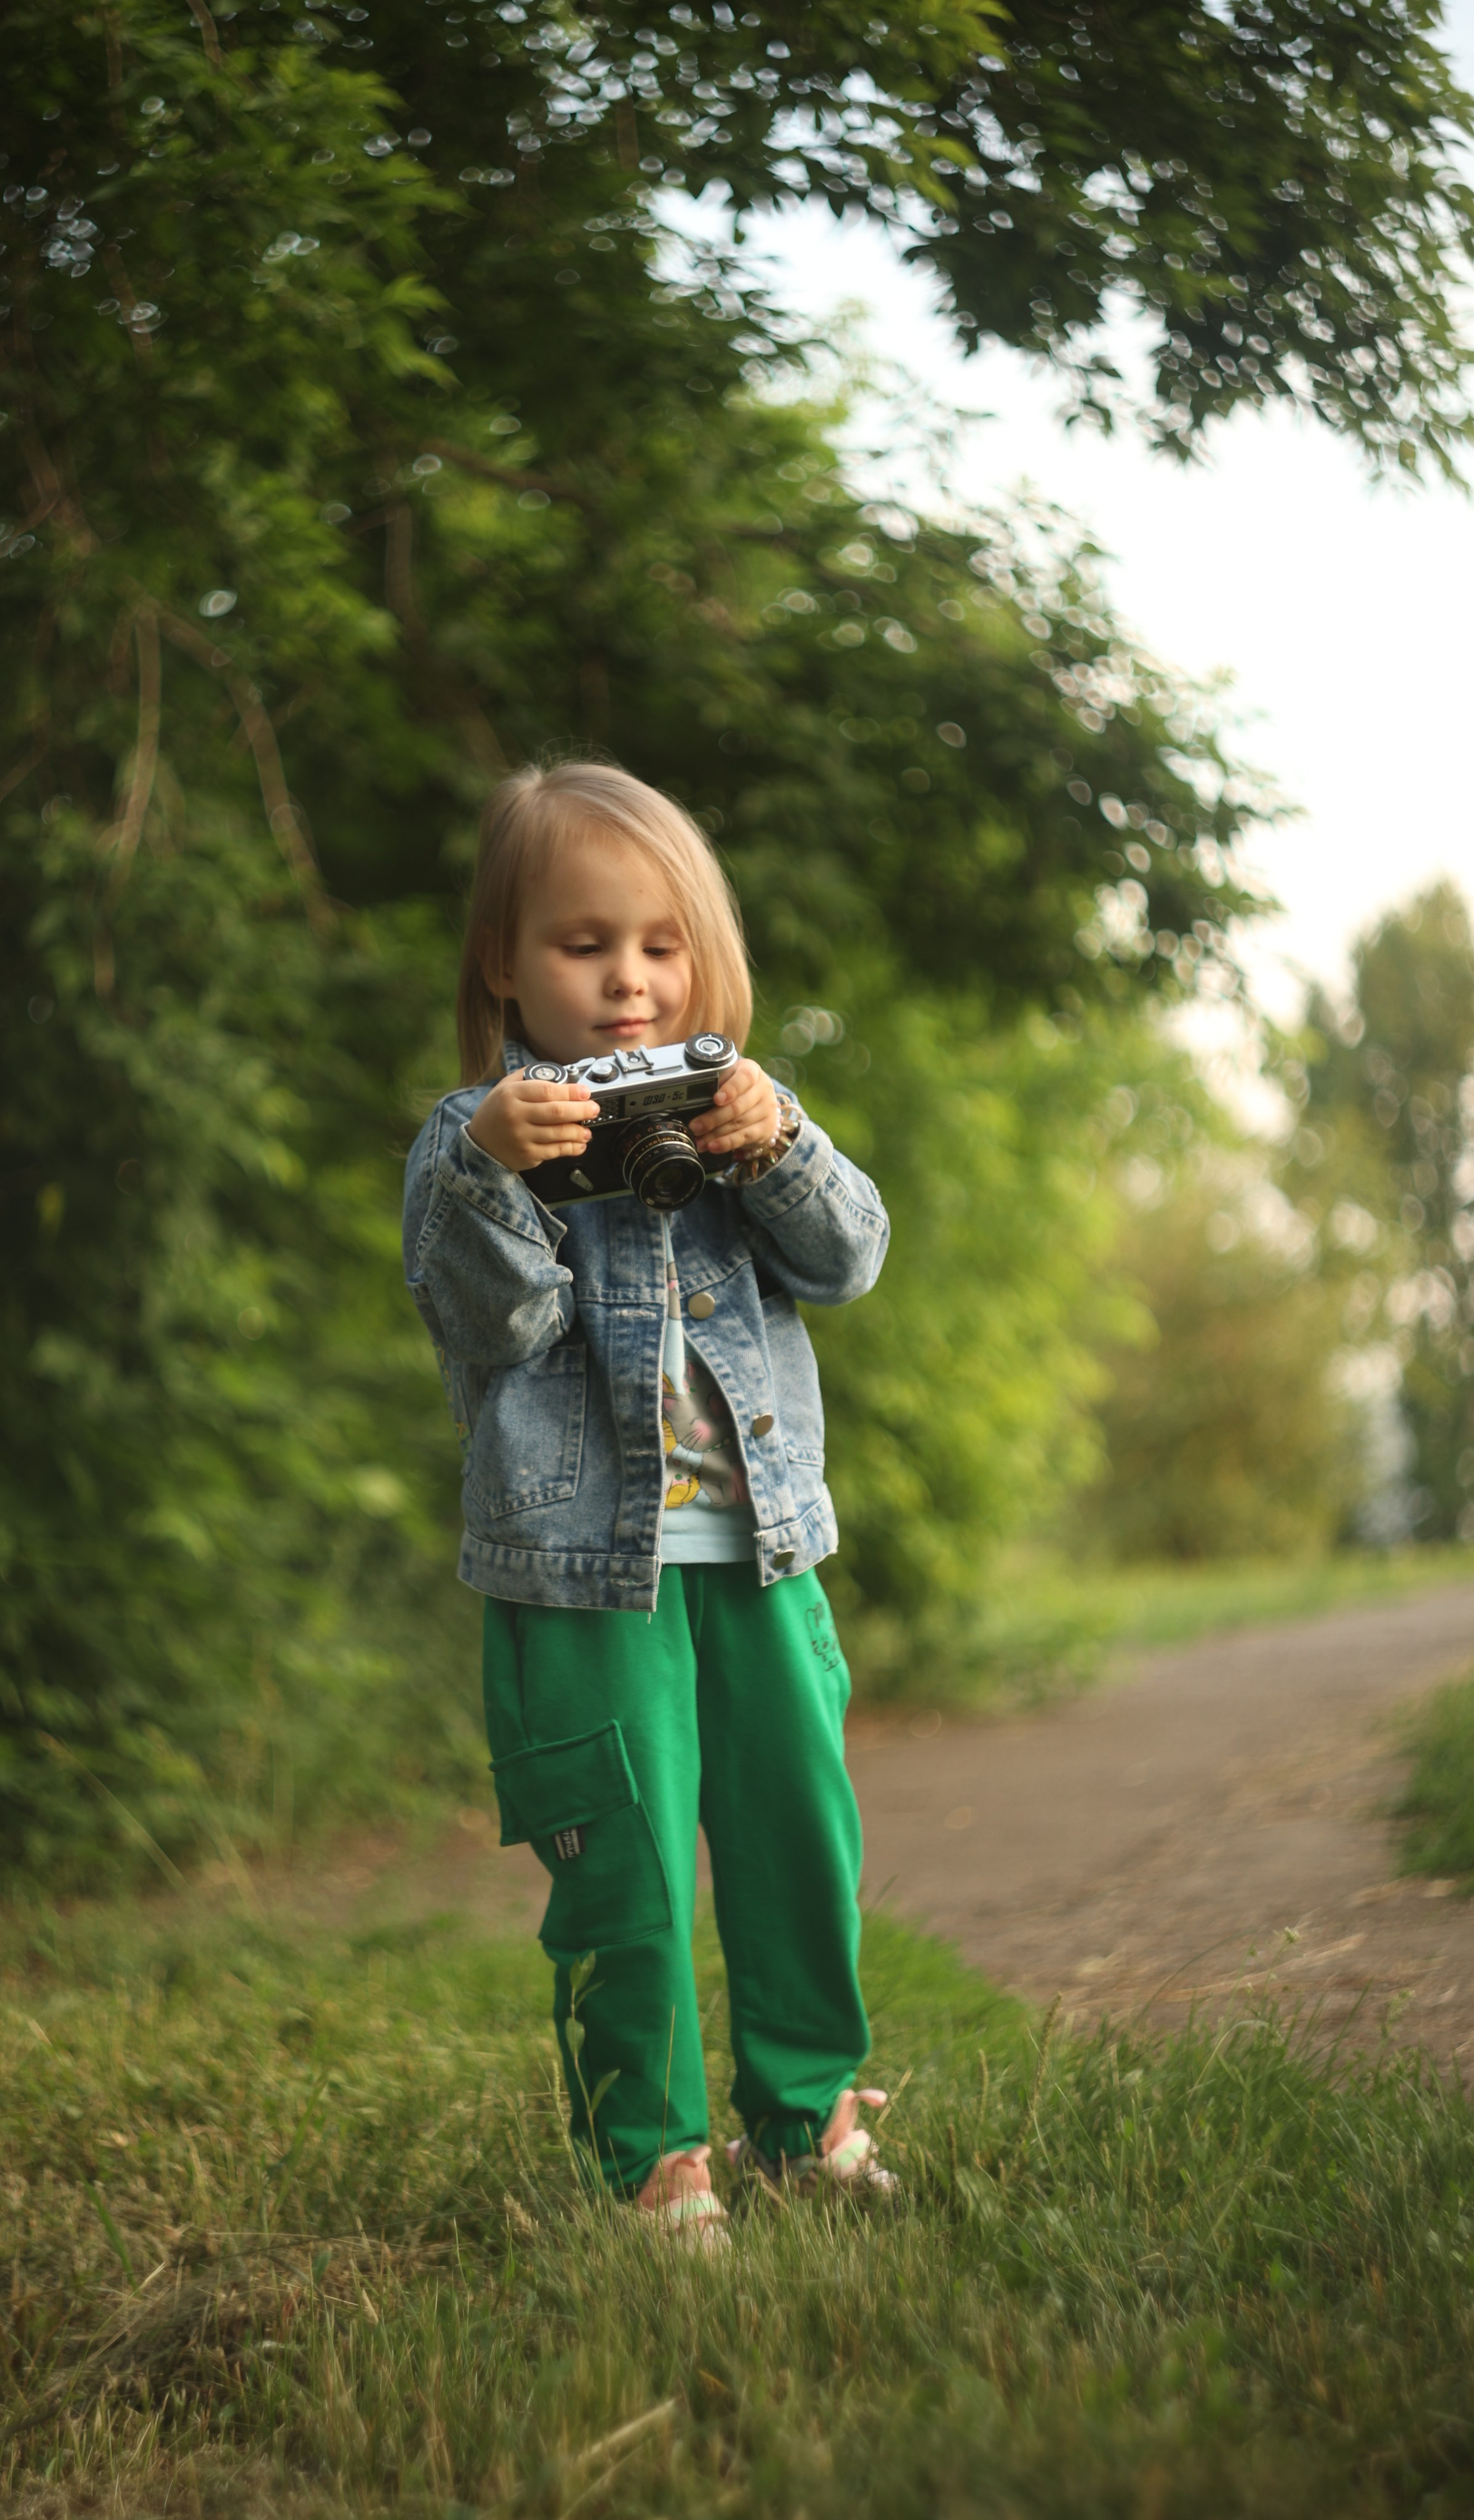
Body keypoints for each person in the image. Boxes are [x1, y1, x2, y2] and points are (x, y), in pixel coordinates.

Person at [402, 761, 893, 2241]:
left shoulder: (739, 1101)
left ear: (701, 958)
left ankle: (807, 2119)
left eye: (659, 946)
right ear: (505, 962)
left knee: (795, 1831)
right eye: (582, 944)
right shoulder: (466, 1139)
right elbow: (493, 1332)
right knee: (617, 1867)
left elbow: (849, 1259)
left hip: (759, 1550)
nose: (628, 981)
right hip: (573, 1570)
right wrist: (500, 1177)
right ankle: (652, 2164)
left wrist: (778, 1142)